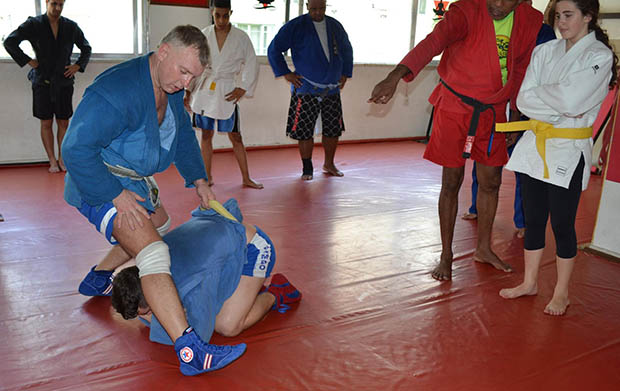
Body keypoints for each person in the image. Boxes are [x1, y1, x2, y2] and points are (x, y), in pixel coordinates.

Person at [61, 25, 242, 376]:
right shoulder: (117, 91)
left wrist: (199, 181)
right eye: (184, 72)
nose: (186, 84)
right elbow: (74, 149)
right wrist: (115, 195)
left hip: (131, 184)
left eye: (194, 78)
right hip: (95, 183)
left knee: (159, 222)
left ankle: (99, 276)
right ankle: (191, 352)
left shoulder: (169, 86)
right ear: (163, 52)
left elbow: (185, 136)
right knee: (154, 251)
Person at [369, 0, 542, 281]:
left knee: (491, 181)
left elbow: (521, 67)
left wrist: (516, 112)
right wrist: (394, 76)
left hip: (494, 109)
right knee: (451, 182)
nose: (496, 5)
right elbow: (433, 42)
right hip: (455, 106)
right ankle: (446, 254)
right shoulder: (466, 12)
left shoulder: (529, 20)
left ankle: (483, 248)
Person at [499, 0, 617, 316]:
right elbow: (524, 97)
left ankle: (562, 292)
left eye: (568, 15)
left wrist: (548, 97)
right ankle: (529, 282)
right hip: (535, 145)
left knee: (563, 224)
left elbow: (573, 100)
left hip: (568, 148)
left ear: (588, 17)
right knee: (533, 219)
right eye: (558, 16)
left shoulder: (598, 56)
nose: (561, 22)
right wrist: (552, 101)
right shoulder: (544, 51)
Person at [110, 199, 302, 347]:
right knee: (198, 305)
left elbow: (199, 335)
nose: (144, 316)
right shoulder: (150, 262)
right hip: (221, 242)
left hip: (255, 248)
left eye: (145, 311)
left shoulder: (190, 284)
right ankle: (248, 293)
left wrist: (154, 317)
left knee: (227, 325)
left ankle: (276, 293)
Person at [463, 0, 558, 240]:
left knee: (522, 167)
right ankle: (476, 206)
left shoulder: (542, 31)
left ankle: (523, 221)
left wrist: (520, 109)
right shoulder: (493, 21)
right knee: (483, 160)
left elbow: (546, 71)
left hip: (524, 107)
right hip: (492, 104)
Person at [267, 0, 353, 180]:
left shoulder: (335, 26)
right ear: (307, 6)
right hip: (306, 87)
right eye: (314, 9)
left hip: (332, 88)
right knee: (304, 130)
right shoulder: (296, 26)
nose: (318, 12)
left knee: (333, 129)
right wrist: (286, 73)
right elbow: (274, 49)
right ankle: (307, 168)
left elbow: (347, 50)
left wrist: (345, 73)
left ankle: (329, 164)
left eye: (321, 8)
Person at [3, 0, 91, 173]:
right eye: (54, 4)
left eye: (61, 5)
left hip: (64, 81)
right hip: (42, 80)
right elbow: (10, 42)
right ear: (46, 2)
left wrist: (78, 65)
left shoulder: (71, 27)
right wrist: (29, 61)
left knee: (63, 122)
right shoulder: (34, 24)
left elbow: (86, 48)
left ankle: (62, 159)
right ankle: (51, 160)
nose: (57, 8)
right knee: (46, 122)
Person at [185, 0, 262, 189]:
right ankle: (207, 177)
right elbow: (195, 64)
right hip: (205, 89)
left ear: (230, 13)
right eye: (218, 15)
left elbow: (252, 62)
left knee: (236, 136)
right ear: (212, 13)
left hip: (227, 90)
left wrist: (243, 86)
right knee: (206, 135)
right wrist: (188, 90)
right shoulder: (204, 34)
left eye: (225, 15)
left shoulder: (241, 37)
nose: (221, 20)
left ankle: (246, 178)